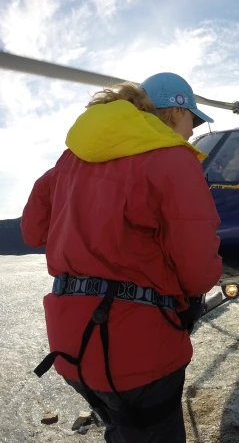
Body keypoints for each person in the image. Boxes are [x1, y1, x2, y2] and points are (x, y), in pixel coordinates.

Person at [21, 72, 222, 443]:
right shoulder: (173, 159)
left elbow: (33, 231)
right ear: (172, 113)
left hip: (69, 347)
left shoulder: (72, 157)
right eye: (191, 119)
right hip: (138, 351)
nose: (192, 131)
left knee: (121, 428)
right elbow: (197, 268)